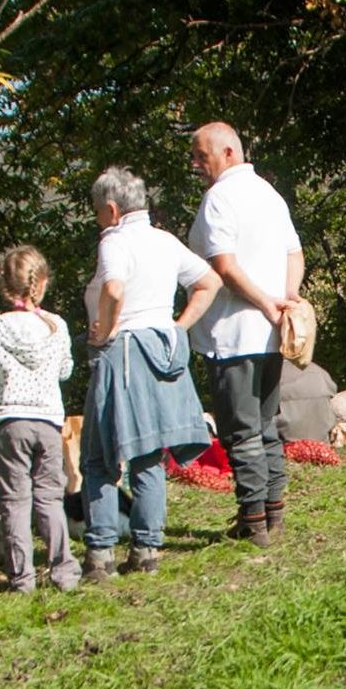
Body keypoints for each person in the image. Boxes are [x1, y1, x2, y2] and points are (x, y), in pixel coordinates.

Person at [83, 166, 221, 578]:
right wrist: (178, 325)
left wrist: (105, 330)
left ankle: (100, 554)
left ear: (110, 209)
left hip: (122, 353)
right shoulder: (165, 241)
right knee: (148, 454)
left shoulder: (115, 241)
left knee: (98, 456)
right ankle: (146, 550)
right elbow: (209, 282)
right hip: (162, 349)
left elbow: (113, 288)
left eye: (96, 211)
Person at [189, 123, 305, 547]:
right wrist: (286, 298)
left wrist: (267, 302)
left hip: (232, 336)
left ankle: (253, 522)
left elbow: (225, 266)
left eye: (202, 156)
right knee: (265, 425)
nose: (196, 165)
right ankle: (273, 514)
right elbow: (295, 252)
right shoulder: (269, 194)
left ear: (228, 153)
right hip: (271, 335)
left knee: (240, 431)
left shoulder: (219, 199)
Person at [0, 245, 82, 595]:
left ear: (5, 286)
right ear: (43, 283)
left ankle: (22, 578)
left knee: (15, 502)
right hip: (48, 421)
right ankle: (63, 570)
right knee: (49, 497)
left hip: (10, 422)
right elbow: (66, 371)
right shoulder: (56, 326)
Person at [277, 359, 339, 444]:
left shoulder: (272, 371)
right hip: (322, 440)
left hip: (284, 440)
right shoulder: (318, 370)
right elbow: (333, 391)